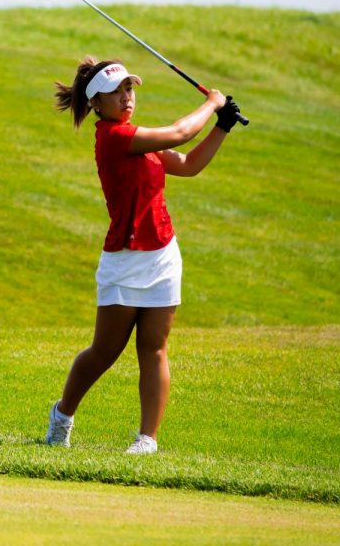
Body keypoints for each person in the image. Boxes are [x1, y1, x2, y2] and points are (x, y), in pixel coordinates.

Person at [44, 56, 240, 454]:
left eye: (128, 89)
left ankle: (146, 439)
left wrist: (222, 127)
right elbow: (180, 133)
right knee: (104, 352)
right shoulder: (114, 138)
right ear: (97, 103)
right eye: (115, 92)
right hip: (123, 259)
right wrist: (212, 103)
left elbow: (185, 165)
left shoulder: (140, 139)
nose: (126, 97)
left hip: (163, 255)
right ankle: (62, 415)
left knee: (153, 348)